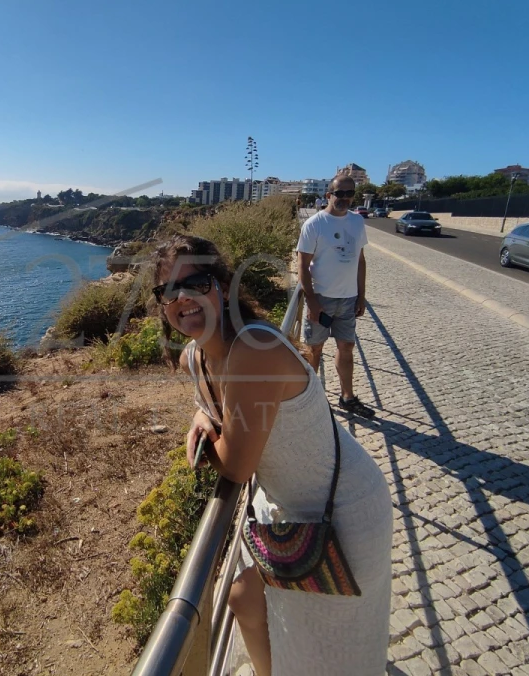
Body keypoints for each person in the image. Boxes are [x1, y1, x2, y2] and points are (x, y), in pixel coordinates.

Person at [149, 234, 393, 676]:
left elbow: (237, 466)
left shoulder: (252, 351)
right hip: (289, 507)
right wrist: (201, 420)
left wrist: (208, 447)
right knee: (243, 597)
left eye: (196, 282)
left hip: (341, 511)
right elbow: (211, 405)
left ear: (221, 287)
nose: (181, 297)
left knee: (328, 650)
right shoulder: (195, 356)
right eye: (168, 290)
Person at [297, 175, 375, 418]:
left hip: (348, 299)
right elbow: (302, 265)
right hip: (321, 298)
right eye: (339, 193)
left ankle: (347, 397)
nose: (344, 198)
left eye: (348, 193)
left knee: (347, 347)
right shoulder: (314, 224)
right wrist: (312, 301)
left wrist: (361, 296)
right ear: (328, 195)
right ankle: (310, 400)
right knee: (314, 350)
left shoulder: (357, 222)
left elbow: (360, 260)